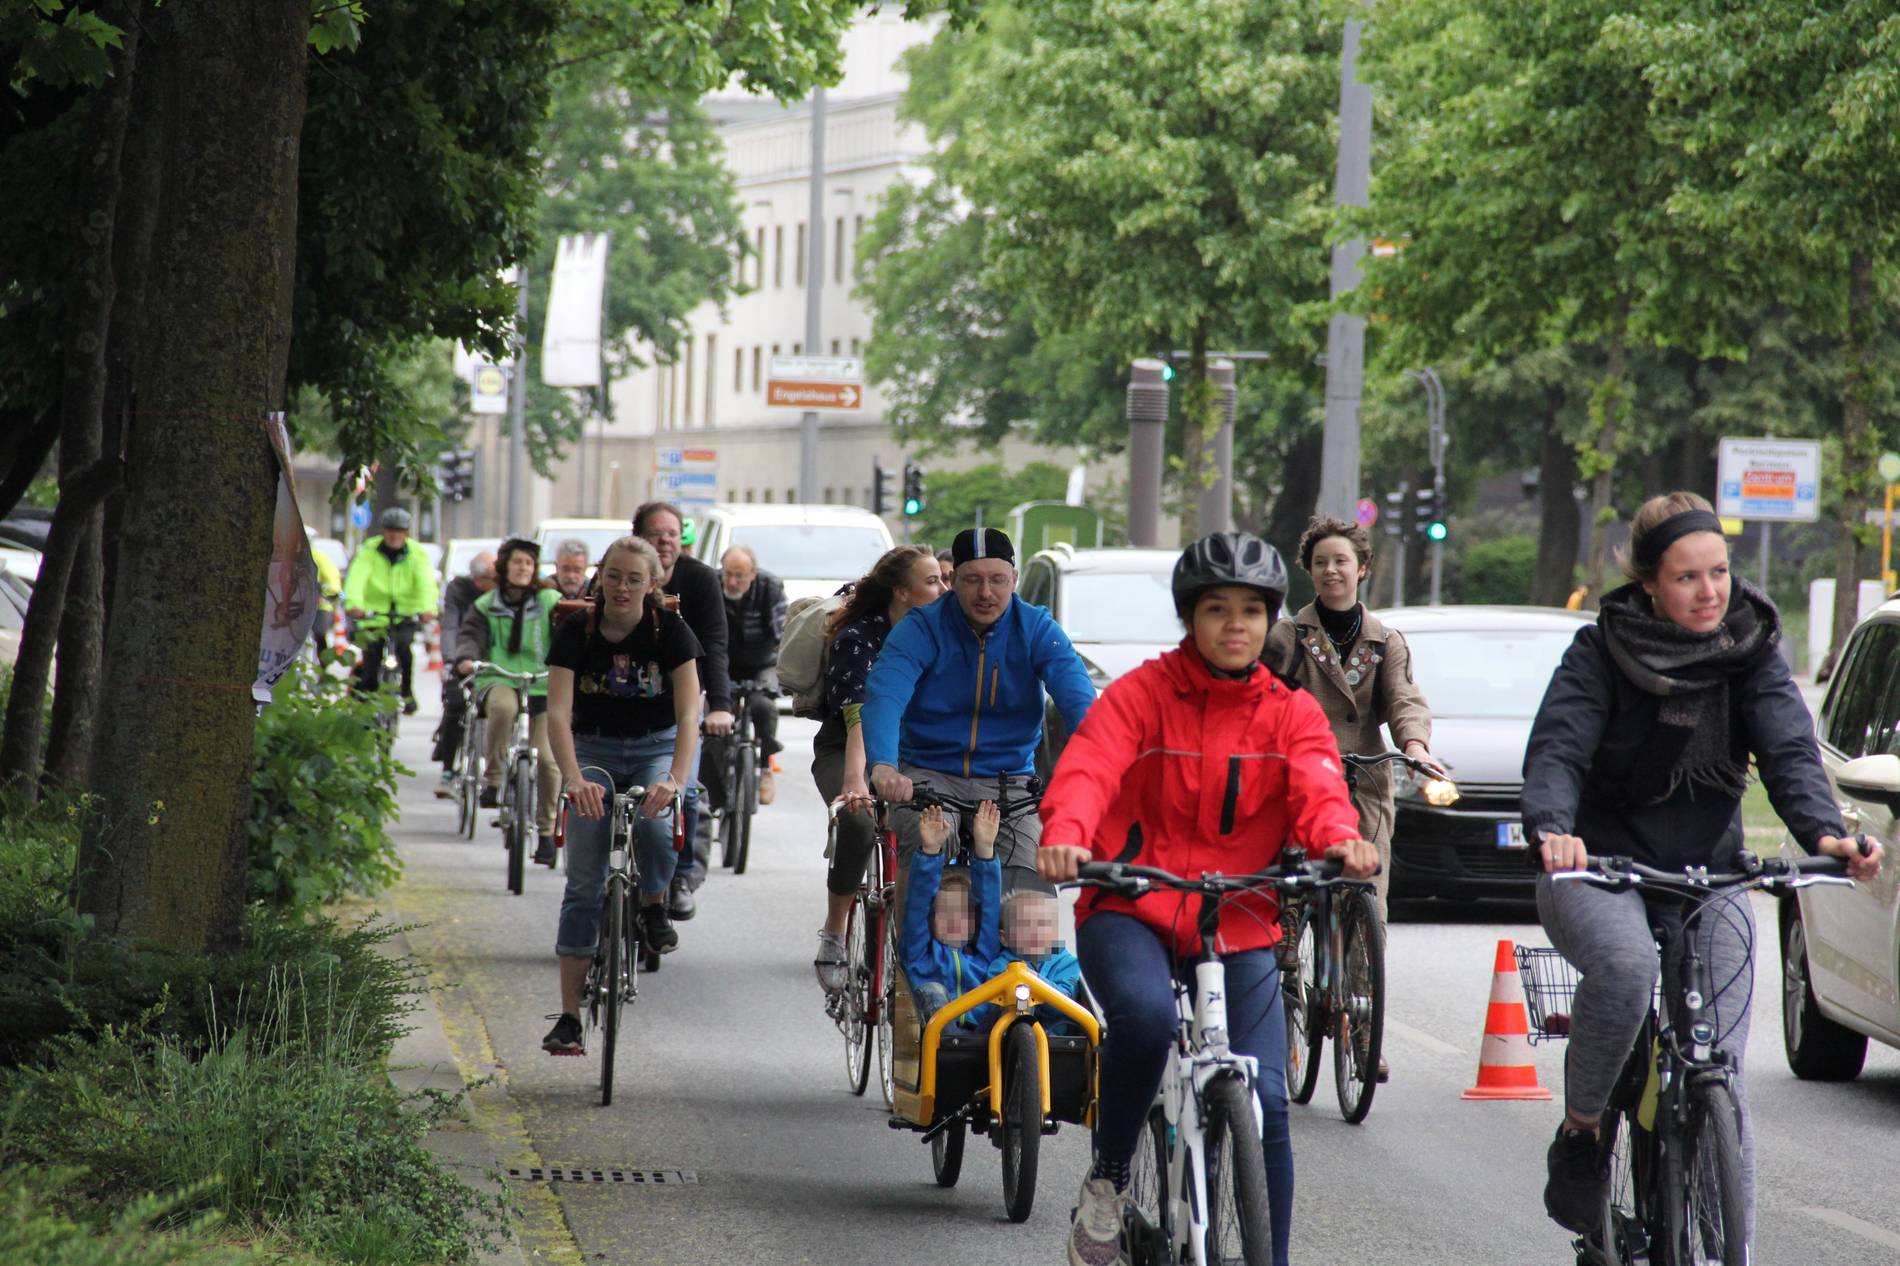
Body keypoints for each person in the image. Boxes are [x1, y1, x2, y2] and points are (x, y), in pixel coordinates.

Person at [1520, 491, 1881, 1242]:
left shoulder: (1748, 651)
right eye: (1687, 578)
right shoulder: (1600, 652)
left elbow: (1788, 751)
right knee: (1623, 970)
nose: (1709, 592)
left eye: (1718, 572)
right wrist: (1554, 831)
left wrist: (1827, 836)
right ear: (1649, 582)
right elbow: (1557, 749)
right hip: (1598, 867)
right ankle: (1582, 1135)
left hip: (1706, 872)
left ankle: (1727, 1243)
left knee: (1720, 1066)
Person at [1037, 531, 1378, 1266]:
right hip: (1132, 903)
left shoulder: (1291, 713)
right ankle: (1110, 1178)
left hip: (1240, 915)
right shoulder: (1142, 694)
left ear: (1268, 621)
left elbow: (1320, 787)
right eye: (1216, 609)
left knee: (1270, 1106)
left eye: (1252, 611)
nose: (1235, 625)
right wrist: (1067, 833)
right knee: (1150, 1020)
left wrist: (1340, 839)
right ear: (1190, 617)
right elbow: (1089, 765)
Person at [862, 526, 1096, 891]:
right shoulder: (921, 628)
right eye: (972, 580)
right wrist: (884, 766)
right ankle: (915, 949)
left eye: (998, 580)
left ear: (1014, 579)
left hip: (1010, 781)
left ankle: (1019, 948)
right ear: (951, 580)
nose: (986, 593)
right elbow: (885, 695)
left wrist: (1097, 770)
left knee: (1028, 903)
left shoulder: (1036, 628)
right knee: (929, 851)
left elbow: (1080, 703)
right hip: (928, 776)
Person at [542, 535, 702, 1055]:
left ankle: (652, 903)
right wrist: (571, 778)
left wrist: (674, 779)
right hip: (592, 750)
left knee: (656, 828)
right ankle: (569, 1017)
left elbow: (687, 716)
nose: (623, 587)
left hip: (656, 747)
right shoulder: (575, 630)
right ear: (599, 578)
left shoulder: (671, 631)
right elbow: (559, 715)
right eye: (613, 576)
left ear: (653, 583)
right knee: (584, 882)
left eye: (635, 578)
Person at [1265, 516, 1440, 924]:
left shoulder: (1386, 641)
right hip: (1297, 776)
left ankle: (1360, 986)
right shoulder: (1287, 637)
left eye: (1341, 561)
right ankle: (1288, 951)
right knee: (1292, 879)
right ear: (1308, 569)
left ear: (1362, 568)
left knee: (1368, 892)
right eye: (1321, 562)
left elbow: (1405, 700)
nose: (1331, 571)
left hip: (1365, 781)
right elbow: (1261, 703)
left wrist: (1414, 746)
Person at [810, 545, 944, 993]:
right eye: (932, 582)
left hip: (913, 752)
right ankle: (833, 932)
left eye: (945, 580)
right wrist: (855, 785)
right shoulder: (859, 637)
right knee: (858, 823)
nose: (944, 588)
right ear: (902, 592)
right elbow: (859, 718)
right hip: (848, 746)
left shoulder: (942, 635)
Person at [632, 501, 733, 920]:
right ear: (638, 538)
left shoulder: (701, 579)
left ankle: (680, 877)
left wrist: (721, 706)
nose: (666, 540)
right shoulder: (614, 575)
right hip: (622, 709)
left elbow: (714, 644)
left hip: (681, 708)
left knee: (686, 791)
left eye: (673, 533)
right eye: (657, 533)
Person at [455, 538, 561, 864]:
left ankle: (546, 831)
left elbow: (569, 632)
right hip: (500, 678)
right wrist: (467, 658)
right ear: (504, 567)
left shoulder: (550, 601)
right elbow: (470, 637)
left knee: (547, 760)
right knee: (502, 708)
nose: (523, 568)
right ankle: (494, 778)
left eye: (529, 563)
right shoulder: (486, 604)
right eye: (517, 562)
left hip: (543, 684)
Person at [901, 802, 1001, 1023]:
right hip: (938, 1032)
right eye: (946, 914)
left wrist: (984, 847)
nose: (955, 920)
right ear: (932, 921)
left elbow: (990, 905)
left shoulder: (984, 955)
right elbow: (918, 904)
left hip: (984, 1035)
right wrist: (930, 850)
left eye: (964, 914)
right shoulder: (920, 955)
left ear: (975, 923)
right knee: (933, 991)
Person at [342, 507, 437, 713]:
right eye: (390, 531)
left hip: (405, 616)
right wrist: (354, 604)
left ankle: (407, 691)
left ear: (406, 533)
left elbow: (426, 584)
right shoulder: (369, 551)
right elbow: (357, 580)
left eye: (400, 531)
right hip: (374, 617)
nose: (395, 535)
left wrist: (427, 608)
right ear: (383, 532)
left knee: (405, 649)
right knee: (371, 658)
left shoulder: (417, 554)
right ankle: (366, 701)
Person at [716, 544, 788, 805]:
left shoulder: (770, 587)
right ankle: (712, 787)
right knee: (713, 716)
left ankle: (766, 766)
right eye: (728, 574)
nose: (732, 582)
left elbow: (783, 630)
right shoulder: (712, 585)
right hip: (721, 663)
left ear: (753, 574)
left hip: (762, 662)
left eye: (740, 575)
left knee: (764, 706)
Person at [974, 887, 1084, 1034]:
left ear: (1055, 932)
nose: (1035, 932)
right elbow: (993, 1005)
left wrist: (1035, 981)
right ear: (1004, 938)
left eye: (1043, 924)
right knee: (1019, 995)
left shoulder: (1068, 963)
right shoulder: (1000, 966)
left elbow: (1063, 1005)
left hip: (1057, 1044)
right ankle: (1020, 1032)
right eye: (1024, 924)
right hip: (1006, 1040)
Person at [432, 550, 496, 797]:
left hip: (492, 659)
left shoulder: (502, 593)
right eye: (492, 577)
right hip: (462, 655)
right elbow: (450, 625)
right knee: (455, 704)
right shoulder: (459, 589)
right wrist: (451, 660)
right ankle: (448, 770)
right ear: (479, 580)